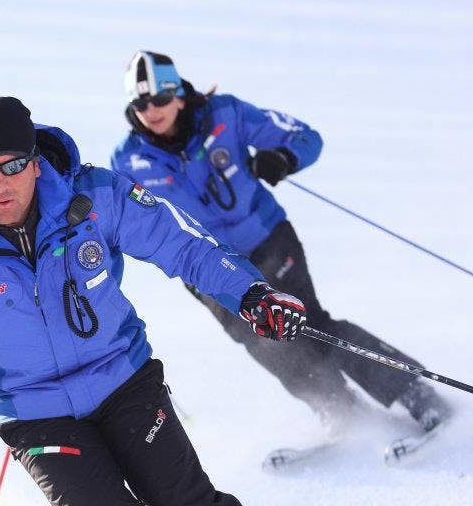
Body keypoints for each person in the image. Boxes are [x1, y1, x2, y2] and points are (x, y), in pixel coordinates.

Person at [0, 96, 308, 506]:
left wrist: (251, 293)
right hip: (35, 412)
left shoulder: (95, 197)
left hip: (123, 380)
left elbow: (184, 246)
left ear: (34, 163)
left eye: (11, 166)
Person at [110, 50, 450, 432]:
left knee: (310, 322)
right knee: (262, 341)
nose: (151, 110)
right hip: (207, 270)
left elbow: (306, 137)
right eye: (140, 103)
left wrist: (284, 157)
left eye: (159, 98)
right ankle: (337, 408)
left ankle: (414, 392)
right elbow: (125, 223)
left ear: (179, 94)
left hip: (267, 239)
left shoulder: (225, 115)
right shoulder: (128, 160)